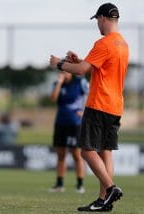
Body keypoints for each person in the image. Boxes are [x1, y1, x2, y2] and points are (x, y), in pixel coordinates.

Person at [50, 3, 129, 212]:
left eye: (97, 20)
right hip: (115, 105)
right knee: (106, 152)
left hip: (99, 103)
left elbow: (81, 71)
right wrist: (81, 60)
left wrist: (60, 64)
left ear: (103, 18)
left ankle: (111, 189)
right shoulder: (123, 44)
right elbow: (96, 67)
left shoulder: (103, 42)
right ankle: (104, 200)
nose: (98, 25)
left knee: (86, 151)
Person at [48, 71, 88, 194]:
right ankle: (59, 184)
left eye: (65, 70)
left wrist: (85, 111)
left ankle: (80, 184)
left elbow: (91, 95)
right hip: (61, 122)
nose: (62, 73)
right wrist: (59, 83)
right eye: (61, 70)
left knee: (76, 154)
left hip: (75, 123)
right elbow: (53, 98)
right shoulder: (57, 83)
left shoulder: (80, 82)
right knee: (61, 154)